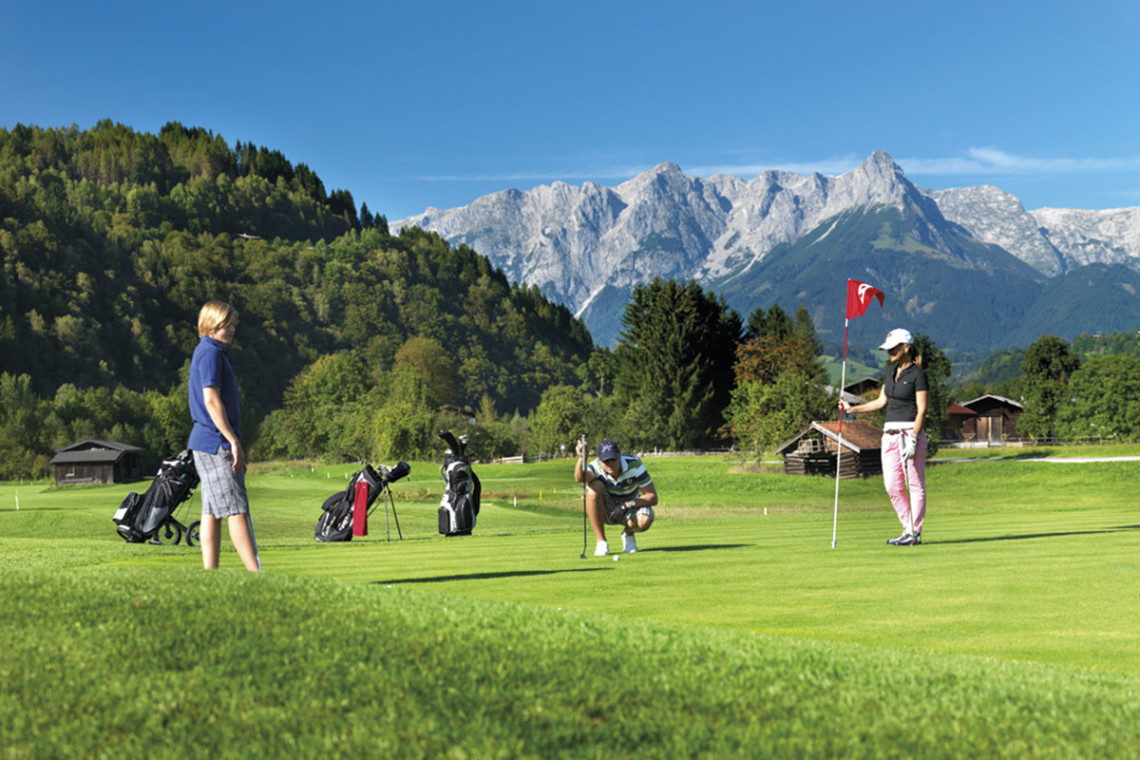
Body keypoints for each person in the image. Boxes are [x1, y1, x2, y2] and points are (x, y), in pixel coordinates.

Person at [187, 300, 261, 571]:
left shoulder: (210, 350)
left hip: (204, 442)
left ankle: (211, 574)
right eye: (225, 324)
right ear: (210, 324)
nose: (231, 329)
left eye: (232, 324)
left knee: (211, 512)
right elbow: (211, 400)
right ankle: (256, 575)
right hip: (216, 443)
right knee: (236, 509)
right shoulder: (210, 352)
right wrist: (232, 440)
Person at [839, 328, 928, 546]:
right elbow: (880, 402)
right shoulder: (890, 372)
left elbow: (922, 410)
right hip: (889, 435)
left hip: (909, 433)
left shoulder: (918, 375)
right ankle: (907, 528)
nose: (890, 352)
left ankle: (914, 532)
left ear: (906, 348)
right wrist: (852, 409)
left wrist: (915, 437)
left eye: (894, 348)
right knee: (892, 485)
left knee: (914, 483)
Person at [574, 438, 658, 555]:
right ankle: (601, 542)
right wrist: (582, 458)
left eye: (614, 459)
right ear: (599, 459)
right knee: (593, 487)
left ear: (619, 455)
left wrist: (627, 505)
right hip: (607, 509)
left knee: (644, 520)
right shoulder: (596, 466)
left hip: (631, 506)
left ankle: (628, 534)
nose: (611, 464)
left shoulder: (634, 464)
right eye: (606, 461)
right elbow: (580, 478)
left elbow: (652, 497)